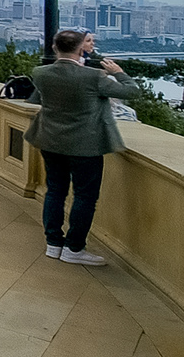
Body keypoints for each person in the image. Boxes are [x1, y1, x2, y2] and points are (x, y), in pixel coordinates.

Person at [26, 29, 142, 266]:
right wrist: (119, 73)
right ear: (81, 49)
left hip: (50, 141)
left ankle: (53, 244)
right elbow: (132, 92)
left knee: (55, 191)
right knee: (85, 197)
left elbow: (38, 100)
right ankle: (74, 247)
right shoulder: (94, 77)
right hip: (85, 146)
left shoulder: (41, 73)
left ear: (54, 47)